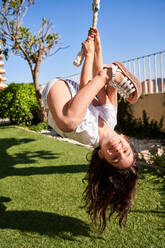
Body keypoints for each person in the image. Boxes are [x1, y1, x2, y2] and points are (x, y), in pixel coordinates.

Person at [42, 27, 141, 231]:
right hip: (77, 89)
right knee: (106, 91)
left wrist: (89, 57)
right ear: (126, 139)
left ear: (102, 156)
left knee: (69, 122)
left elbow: (86, 90)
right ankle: (111, 76)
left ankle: (110, 75)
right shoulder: (111, 119)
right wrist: (96, 47)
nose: (117, 149)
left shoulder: (87, 136)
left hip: (57, 95)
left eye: (114, 157)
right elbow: (87, 84)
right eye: (125, 150)